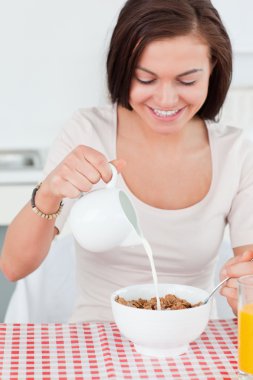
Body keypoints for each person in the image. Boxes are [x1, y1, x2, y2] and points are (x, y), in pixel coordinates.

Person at [1, 0, 253, 322]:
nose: (166, 99)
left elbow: (247, 289)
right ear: (122, 69)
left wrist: (244, 291)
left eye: (187, 81)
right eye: (146, 79)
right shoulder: (88, 131)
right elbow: (14, 267)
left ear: (214, 69)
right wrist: (50, 191)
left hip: (191, 342)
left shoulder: (235, 153)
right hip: (94, 340)